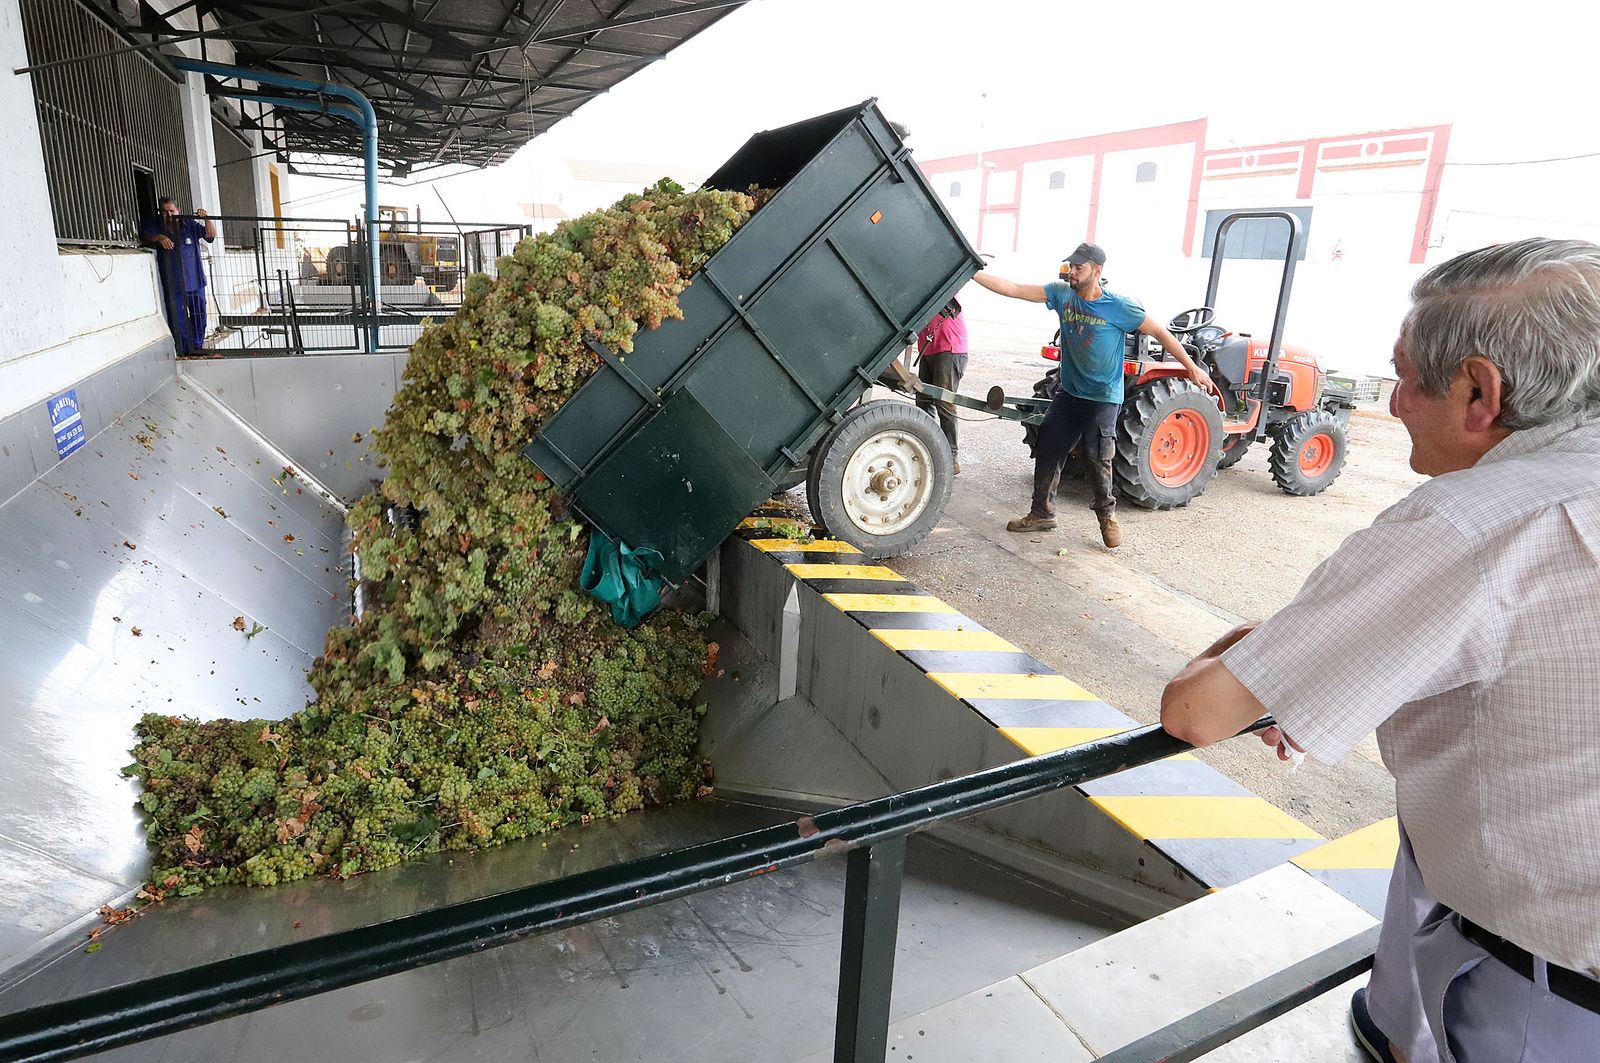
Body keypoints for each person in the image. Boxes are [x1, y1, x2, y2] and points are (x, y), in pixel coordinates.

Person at [1160, 238, 1600, 1062]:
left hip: (1550, 998)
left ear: (1480, 390)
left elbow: (1199, 711)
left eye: (1406, 376)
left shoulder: (1473, 523)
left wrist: (1269, 648)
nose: (1392, 400)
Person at [974, 242, 1214, 548]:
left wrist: (1191, 368)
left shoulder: (1120, 306)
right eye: (1071, 267)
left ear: (1097, 271)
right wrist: (974, 273)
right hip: (1069, 393)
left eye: (1079, 268)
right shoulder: (1062, 294)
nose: (1072, 273)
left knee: (1099, 457)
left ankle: (1106, 516)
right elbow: (1014, 289)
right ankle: (1042, 513)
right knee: (1048, 447)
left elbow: (1160, 333)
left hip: (1103, 398)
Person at [140, 197, 216, 353]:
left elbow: (211, 236)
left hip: (195, 280)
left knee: (199, 315)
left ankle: (197, 346)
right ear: (160, 213)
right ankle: (184, 349)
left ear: (178, 210)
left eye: (171, 211)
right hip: (173, 282)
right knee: (178, 319)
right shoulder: (156, 225)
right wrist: (159, 237)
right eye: (165, 211)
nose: (169, 214)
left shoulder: (189, 224)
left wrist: (206, 218)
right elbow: (145, 236)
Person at [914, 297, 968, 472]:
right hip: (928, 348)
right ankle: (926, 447)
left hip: (949, 348)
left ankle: (950, 458)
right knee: (923, 402)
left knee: (944, 404)